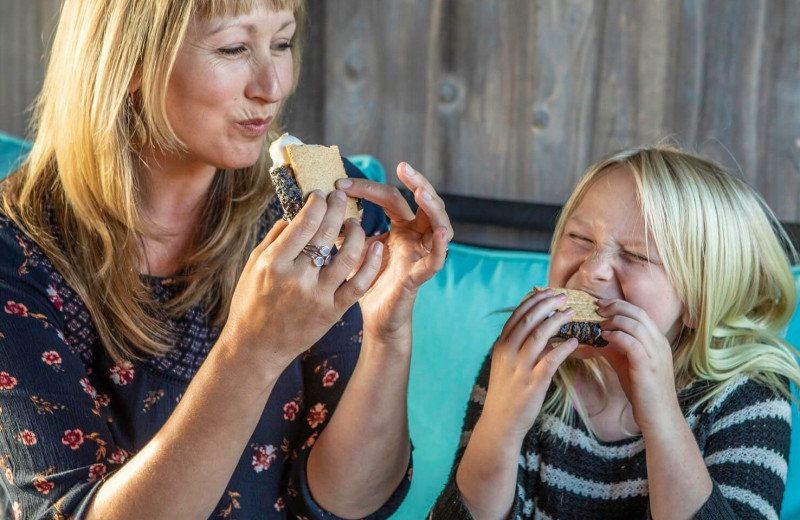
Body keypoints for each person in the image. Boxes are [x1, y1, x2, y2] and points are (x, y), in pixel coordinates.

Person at [0, 0, 452, 519]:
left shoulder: (319, 205)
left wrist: (387, 333)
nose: (273, 86)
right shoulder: (18, 253)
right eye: (234, 47)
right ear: (131, 63)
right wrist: (251, 351)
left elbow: (348, 503)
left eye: (281, 43)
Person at [429, 147, 800, 520]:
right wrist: (501, 422)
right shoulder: (523, 361)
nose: (595, 270)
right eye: (580, 237)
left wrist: (661, 419)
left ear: (699, 300)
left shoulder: (749, 398)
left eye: (637, 256)